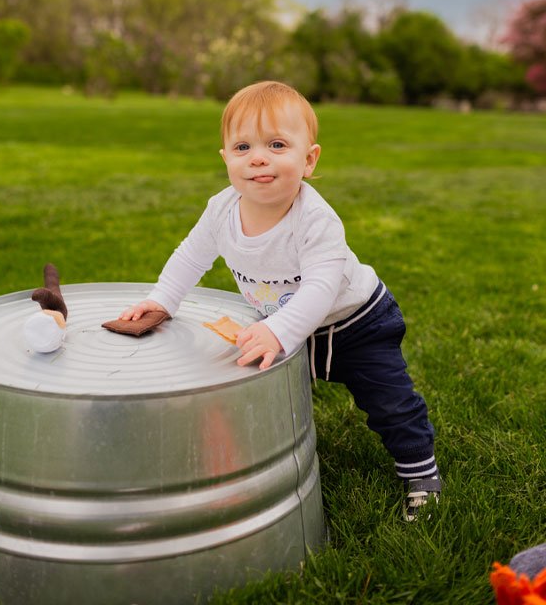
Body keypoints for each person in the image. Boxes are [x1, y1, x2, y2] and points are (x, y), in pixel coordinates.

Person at [117, 80, 440, 521]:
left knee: (391, 403)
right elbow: (190, 256)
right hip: (285, 324)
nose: (258, 157)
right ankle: (272, 452)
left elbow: (321, 289)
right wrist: (162, 301)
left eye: (276, 144)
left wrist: (278, 329)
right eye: (242, 146)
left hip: (357, 324)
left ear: (308, 160)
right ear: (226, 158)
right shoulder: (221, 210)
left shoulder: (315, 219)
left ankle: (420, 473)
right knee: (273, 392)